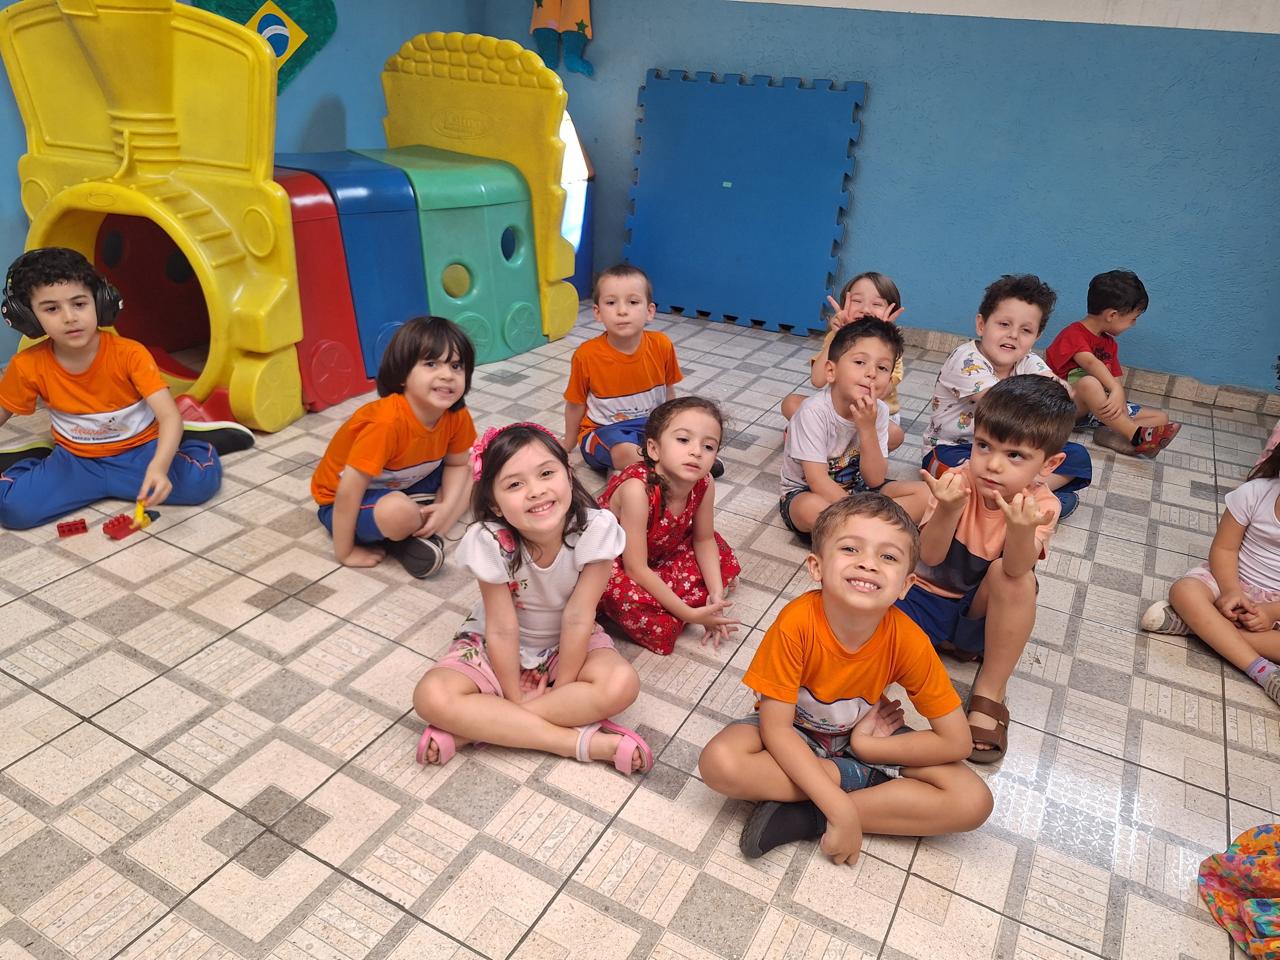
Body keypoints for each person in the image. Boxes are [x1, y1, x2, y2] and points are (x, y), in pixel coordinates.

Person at [698, 494, 991, 863]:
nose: (868, 563)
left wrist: (868, 748)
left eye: (888, 557)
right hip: (795, 731)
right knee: (720, 762)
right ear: (817, 567)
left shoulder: (908, 639)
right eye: (851, 548)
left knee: (973, 800)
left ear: (905, 584)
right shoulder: (796, 624)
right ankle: (848, 792)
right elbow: (776, 729)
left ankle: (807, 815)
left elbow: (957, 741)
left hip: (864, 735)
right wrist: (841, 808)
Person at [412, 423, 652, 773]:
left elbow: (578, 617)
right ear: (494, 503)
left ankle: (477, 729)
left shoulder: (596, 530)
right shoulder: (490, 540)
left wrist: (563, 687)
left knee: (621, 684)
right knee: (431, 696)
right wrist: (515, 695)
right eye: (514, 484)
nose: (536, 491)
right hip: (495, 644)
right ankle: (579, 744)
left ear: (568, 474)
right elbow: (501, 627)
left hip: (569, 643)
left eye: (546, 473)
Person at [0, 247, 253, 529]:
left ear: (100, 302)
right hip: (75, 461)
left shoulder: (130, 354)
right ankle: (35, 460)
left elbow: (169, 415)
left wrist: (159, 466)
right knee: (14, 511)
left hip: (140, 452)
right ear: (28, 317)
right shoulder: (27, 365)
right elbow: (3, 411)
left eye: (79, 304)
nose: (69, 317)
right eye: (51, 309)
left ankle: (193, 443)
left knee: (198, 485)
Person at [897, 375, 1075, 762]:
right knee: (862, 625)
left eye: (1015, 455)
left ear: (1050, 464)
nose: (992, 464)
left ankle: (990, 691)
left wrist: (1021, 531)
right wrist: (947, 510)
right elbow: (930, 556)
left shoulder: (1042, 505)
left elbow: (1016, 569)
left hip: (980, 618)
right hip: (925, 602)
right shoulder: (956, 481)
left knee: (1016, 579)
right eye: (983, 446)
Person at [311, 316, 476, 578]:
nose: (447, 375)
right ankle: (411, 530)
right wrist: (346, 552)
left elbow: (457, 465)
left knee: (477, 463)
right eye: (431, 364)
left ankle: (429, 526)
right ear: (402, 374)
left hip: (408, 480)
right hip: (346, 501)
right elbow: (348, 493)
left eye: (456, 366)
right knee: (398, 513)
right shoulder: (385, 423)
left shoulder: (456, 415)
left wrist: (446, 506)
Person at [923, 274, 1092, 518]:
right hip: (957, 450)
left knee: (1076, 456)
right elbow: (1000, 402)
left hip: (1011, 453)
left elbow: (1061, 392)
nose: (1013, 335)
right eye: (1004, 324)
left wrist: (1057, 393)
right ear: (981, 325)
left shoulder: (1028, 361)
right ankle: (1026, 501)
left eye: (1026, 330)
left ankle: (1011, 500)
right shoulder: (966, 360)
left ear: (1037, 337)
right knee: (958, 477)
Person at [597, 396, 742, 656]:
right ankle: (682, 606)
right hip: (618, 562)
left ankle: (689, 601)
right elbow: (635, 568)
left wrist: (716, 596)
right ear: (654, 449)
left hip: (662, 551)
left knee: (719, 553)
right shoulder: (637, 490)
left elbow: (704, 539)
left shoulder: (705, 482)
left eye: (709, 446)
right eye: (683, 440)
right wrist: (691, 614)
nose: (696, 452)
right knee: (621, 595)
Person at [1141, 444, 1280, 707]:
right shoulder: (1255, 494)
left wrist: (1272, 612)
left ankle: (1199, 628)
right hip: (1230, 579)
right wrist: (1231, 590)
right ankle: (1264, 672)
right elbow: (1224, 549)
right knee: (1184, 591)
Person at [778, 317, 899, 537]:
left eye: (882, 367)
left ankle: (856, 532)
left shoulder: (879, 411)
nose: (871, 373)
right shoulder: (813, 411)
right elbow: (817, 481)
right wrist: (861, 514)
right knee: (810, 509)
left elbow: (874, 479)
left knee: (923, 494)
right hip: (808, 491)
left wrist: (867, 428)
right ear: (831, 371)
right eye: (860, 362)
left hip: (859, 488)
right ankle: (870, 531)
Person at [562, 263, 684, 473]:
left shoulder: (662, 345)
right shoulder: (586, 355)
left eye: (633, 302)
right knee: (626, 451)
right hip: (603, 431)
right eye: (611, 302)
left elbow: (668, 393)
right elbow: (575, 404)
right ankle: (660, 468)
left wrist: (674, 429)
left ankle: (650, 467)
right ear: (598, 312)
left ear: (649, 311)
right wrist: (568, 443)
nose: (622, 311)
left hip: (650, 427)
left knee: (691, 432)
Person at [1044, 269, 1180, 456]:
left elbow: (1114, 377)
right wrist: (1115, 390)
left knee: (1160, 418)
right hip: (1065, 406)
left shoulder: (1109, 343)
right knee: (1089, 382)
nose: (1133, 324)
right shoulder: (1073, 333)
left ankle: (1110, 434)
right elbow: (1091, 363)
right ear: (1112, 315)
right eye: (1133, 319)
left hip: (1097, 410)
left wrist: (1120, 401)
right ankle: (1135, 435)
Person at [780, 272, 907, 451]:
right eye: (857, 301)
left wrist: (882, 335)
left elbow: (881, 392)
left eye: (877, 304)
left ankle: (832, 444)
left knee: (896, 435)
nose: (865, 309)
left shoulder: (890, 348)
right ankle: (820, 437)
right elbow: (817, 380)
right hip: (836, 411)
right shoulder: (837, 337)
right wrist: (839, 336)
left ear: (892, 312)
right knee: (790, 403)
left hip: (870, 417)